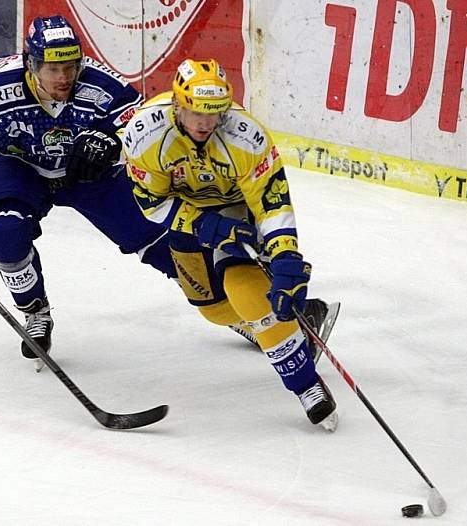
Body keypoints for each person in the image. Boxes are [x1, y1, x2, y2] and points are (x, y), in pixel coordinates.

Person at [0, 14, 333, 372]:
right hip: (22, 166)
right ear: (30, 63)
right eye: (53, 68)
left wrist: (109, 143)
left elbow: (138, 122)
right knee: (6, 237)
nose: (64, 76)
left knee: (169, 247)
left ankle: (249, 318)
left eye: (70, 66)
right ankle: (34, 309)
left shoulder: (99, 85)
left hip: (90, 177)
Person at [121, 58, 338, 430]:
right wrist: (202, 222)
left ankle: (306, 385)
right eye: (195, 113)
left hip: (238, 208)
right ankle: (298, 327)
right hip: (186, 214)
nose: (205, 123)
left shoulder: (245, 136)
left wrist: (285, 255)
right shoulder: (145, 134)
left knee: (246, 289)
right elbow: (150, 204)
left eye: (215, 113)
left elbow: (272, 202)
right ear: (177, 105)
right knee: (215, 311)